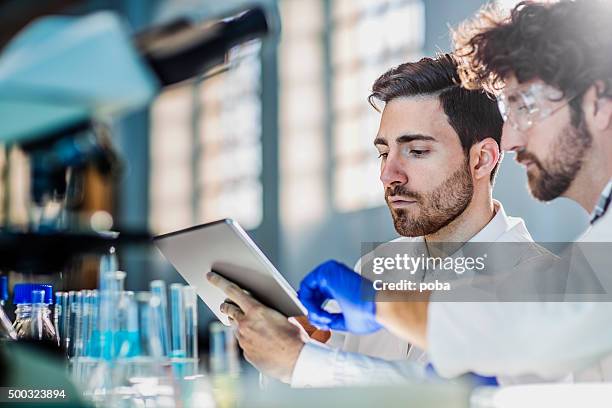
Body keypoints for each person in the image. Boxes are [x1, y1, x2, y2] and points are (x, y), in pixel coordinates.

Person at [298, 0, 612, 382]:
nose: (510, 137)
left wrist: (369, 312)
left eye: (525, 106)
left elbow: (535, 319)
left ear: (597, 104)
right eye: (383, 152)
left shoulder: (543, 273)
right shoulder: (379, 267)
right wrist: (311, 350)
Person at [207, 54, 554, 386]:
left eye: (416, 151)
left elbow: (480, 397)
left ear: (481, 160)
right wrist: (296, 350)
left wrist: (302, 363)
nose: (388, 174)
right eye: (384, 152)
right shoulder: (376, 267)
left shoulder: (540, 286)